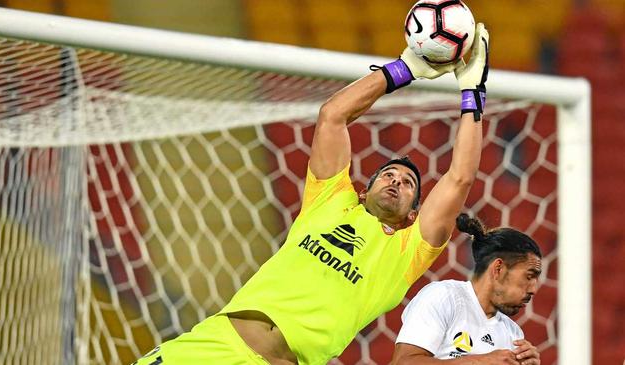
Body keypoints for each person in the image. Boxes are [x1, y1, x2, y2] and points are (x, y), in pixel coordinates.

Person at [135, 23, 490, 365]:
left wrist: (472, 92)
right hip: (213, 345)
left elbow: (460, 178)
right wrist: (405, 68)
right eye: (389, 175)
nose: (396, 181)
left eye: (408, 183)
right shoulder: (330, 202)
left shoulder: (404, 255)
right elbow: (332, 116)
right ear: (363, 191)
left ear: (414, 215)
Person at [390, 213, 543, 365]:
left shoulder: (512, 334)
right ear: (498, 269)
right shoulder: (443, 297)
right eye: (529, 276)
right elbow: (402, 362)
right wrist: (478, 361)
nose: (534, 289)